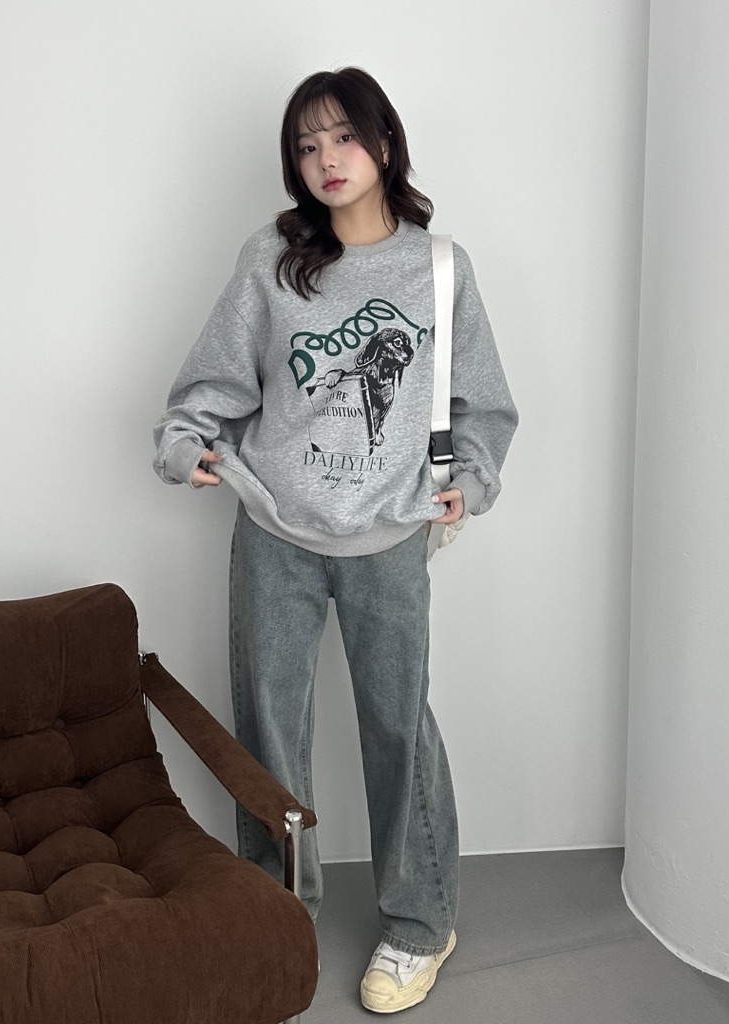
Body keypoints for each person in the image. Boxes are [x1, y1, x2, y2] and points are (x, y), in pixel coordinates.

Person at [153, 67, 517, 1014]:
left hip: (389, 533)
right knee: (270, 730)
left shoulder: (441, 268)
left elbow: (483, 402)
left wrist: (471, 481)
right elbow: (216, 379)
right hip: (274, 528)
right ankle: (277, 918)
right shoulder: (272, 259)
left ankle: (420, 923)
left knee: (399, 727)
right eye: (306, 146)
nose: (326, 159)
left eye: (343, 137)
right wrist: (186, 441)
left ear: (383, 142)